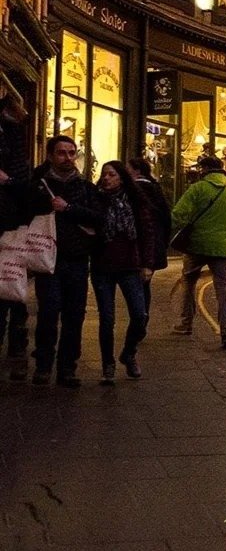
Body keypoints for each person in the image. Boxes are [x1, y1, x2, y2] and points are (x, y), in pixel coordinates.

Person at [31, 135, 103, 387]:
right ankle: (43, 365)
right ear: (51, 155)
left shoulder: (84, 187)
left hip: (77, 259)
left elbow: (98, 218)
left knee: (75, 315)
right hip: (47, 259)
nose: (68, 158)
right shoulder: (38, 185)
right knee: (48, 313)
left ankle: (67, 368)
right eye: (62, 153)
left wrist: (69, 208)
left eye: (72, 153)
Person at [172, 152, 226, 350]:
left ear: (204, 170)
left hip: (195, 245)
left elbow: (178, 215)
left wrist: (179, 230)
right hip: (223, 248)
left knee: (188, 282)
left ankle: (185, 323)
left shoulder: (197, 189)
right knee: (223, 288)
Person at [91, 161, 154, 382]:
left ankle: (128, 353)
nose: (106, 178)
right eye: (104, 175)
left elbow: (147, 233)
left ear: (121, 178)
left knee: (140, 315)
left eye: (112, 174)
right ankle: (108, 364)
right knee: (106, 319)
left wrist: (148, 264)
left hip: (130, 266)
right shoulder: (96, 199)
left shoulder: (135, 202)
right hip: (102, 268)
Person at [0, 90, 34, 380]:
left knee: (11, 282)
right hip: (11, 222)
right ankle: (16, 342)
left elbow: (23, 182)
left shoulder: (12, 133)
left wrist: (7, 180)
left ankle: (17, 341)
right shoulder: (13, 132)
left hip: (10, 224)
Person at [126, 157, 173, 330]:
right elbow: (167, 219)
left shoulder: (134, 191)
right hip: (154, 245)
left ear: (137, 171)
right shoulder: (156, 189)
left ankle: (139, 320)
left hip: (137, 245)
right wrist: (164, 243)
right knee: (144, 285)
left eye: (127, 168)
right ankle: (142, 318)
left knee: (135, 285)